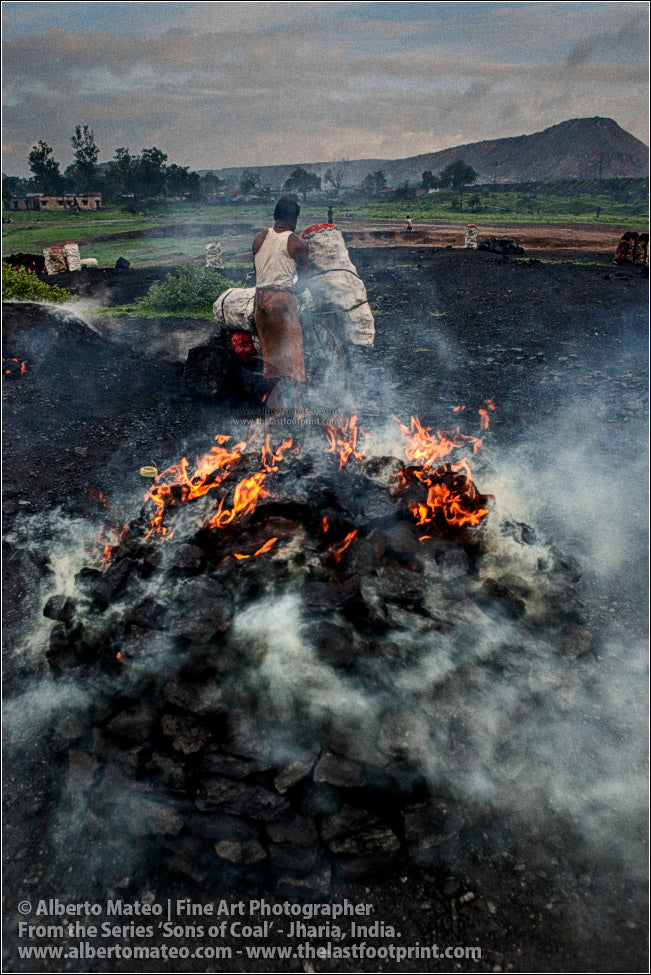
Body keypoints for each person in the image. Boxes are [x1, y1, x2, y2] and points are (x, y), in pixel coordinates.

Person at [252, 197, 309, 417]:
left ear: (275, 216)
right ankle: (298, 410)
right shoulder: (296, 242)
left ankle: (276, 410)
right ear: (294, 219)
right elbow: (305, 272)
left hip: (260, 301)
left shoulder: (259, 238)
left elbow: (258, 272)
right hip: (282, 299)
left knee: (270, 356)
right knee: (294, 354)